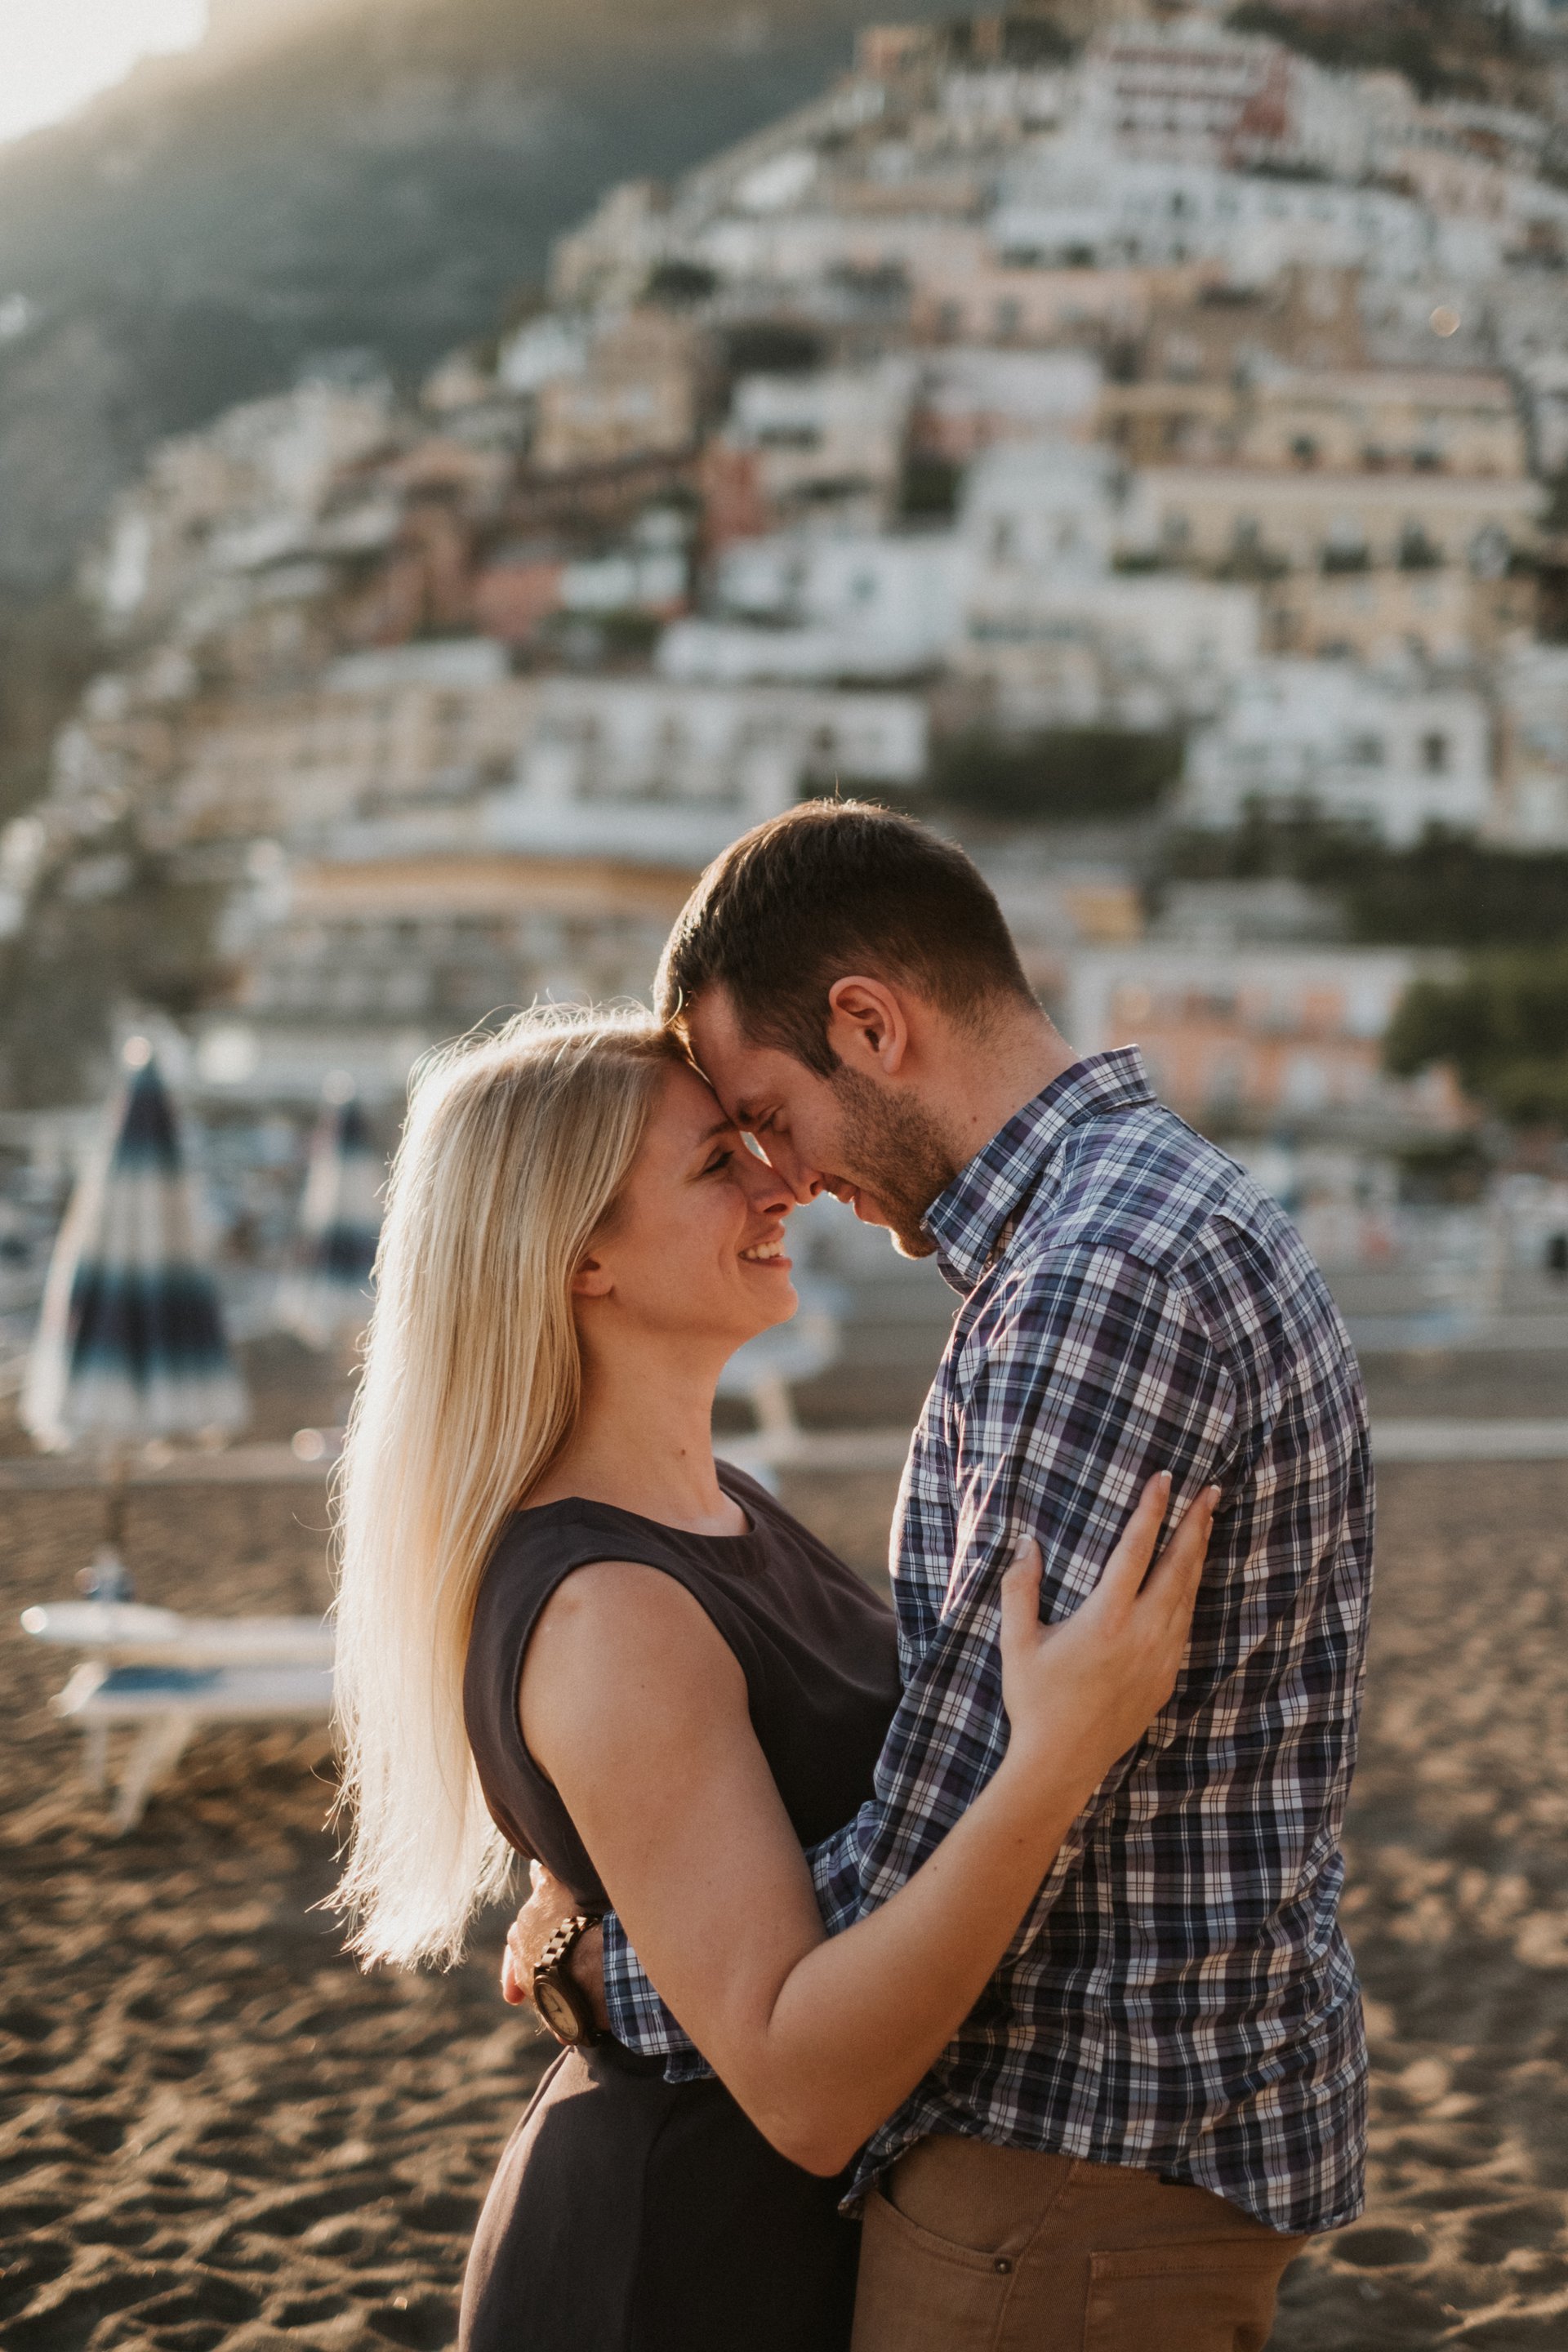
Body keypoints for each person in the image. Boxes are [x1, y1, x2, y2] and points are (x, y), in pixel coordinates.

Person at [510, 801, 1374, 2352]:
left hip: (1069, 2164)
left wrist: (606, 1964)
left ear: (869, 1023)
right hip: (1143, 2155)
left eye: (768, 1113)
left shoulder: (1087, 1292)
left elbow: (945, 1853)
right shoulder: (1154, 1215)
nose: (785, 1174)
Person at [329, 1004, 1214, 2352]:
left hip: (778, 2243)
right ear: (582, 1264)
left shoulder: (718, 1510)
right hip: (675, 2269)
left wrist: (592, 1929)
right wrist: (1055, 1762)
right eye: (713, 1165)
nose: (782, 1179)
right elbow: (803, 2086)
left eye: (755, 1140)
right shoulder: (609, 1610)